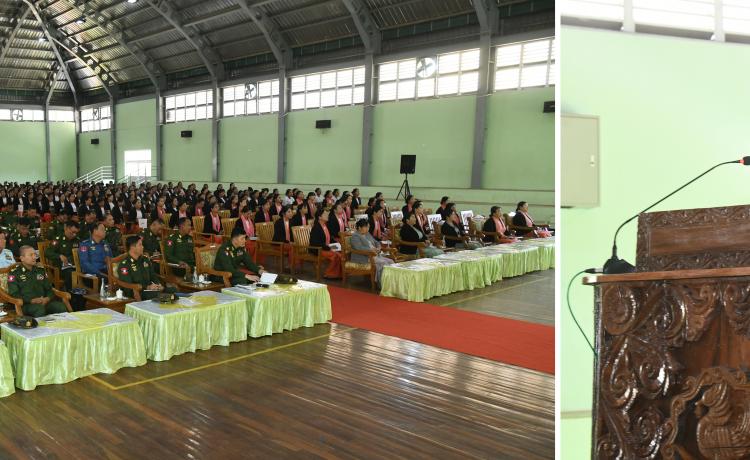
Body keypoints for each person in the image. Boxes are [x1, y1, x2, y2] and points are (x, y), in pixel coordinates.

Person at [7, 246, 68, 317]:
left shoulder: (40, 270)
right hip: (26, 305)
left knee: (60, 307)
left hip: (44, 302)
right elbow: (14, 294)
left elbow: (49, 288)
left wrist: (47, 298)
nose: (34, 257)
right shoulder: (14, 273)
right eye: (31, 255)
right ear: (22, 258)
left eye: (35, 254)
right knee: (39, 309)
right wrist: (31, 300)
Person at [117, 236, 174, 300]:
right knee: (163, 296)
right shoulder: (125, 264)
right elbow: (128, 284)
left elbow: (153, 275)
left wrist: (158, 285)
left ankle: (173, 299)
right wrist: (147, 287)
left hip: (150, 290)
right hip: (136, 292)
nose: (143, 247)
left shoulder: (145, 259)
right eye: (140, 245)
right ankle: (171, 300)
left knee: (173, 290)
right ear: (132, 247)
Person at [349, 219, 394, 284]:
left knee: (391, 261)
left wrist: (378, 247)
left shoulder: (367, 234)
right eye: (366, 227)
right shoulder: (355, 236)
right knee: (383, 263)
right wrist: (371, 250)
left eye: (368, 227)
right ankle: (382, 283)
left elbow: (376, 242)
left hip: (374, 255)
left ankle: (390, 282)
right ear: (359, 227)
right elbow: (358, 247)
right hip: (363, 257)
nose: (368, 229)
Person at [45, 221, 80, 289]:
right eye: (73, 232)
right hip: (60, 267)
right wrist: (59, 256)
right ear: (67, 229)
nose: (74, 235)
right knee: (71, 273)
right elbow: (47, 252)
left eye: (76, 233)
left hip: (74, 265)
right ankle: (70, 293)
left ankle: (81, 292)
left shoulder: (77, 240)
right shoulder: (58, 239)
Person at [309, 209, 343, 279]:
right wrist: (328, 248)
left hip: (325, 247)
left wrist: (336, 244)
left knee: (341, 252)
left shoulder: (324, 225)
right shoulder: (316, 227)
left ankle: (337, 274)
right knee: (335, 255)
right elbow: (316, 243)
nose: (327, 215)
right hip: (318, 249)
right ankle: (328, 274)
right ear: (320, 217)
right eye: (325, 214)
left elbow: (329, 238)